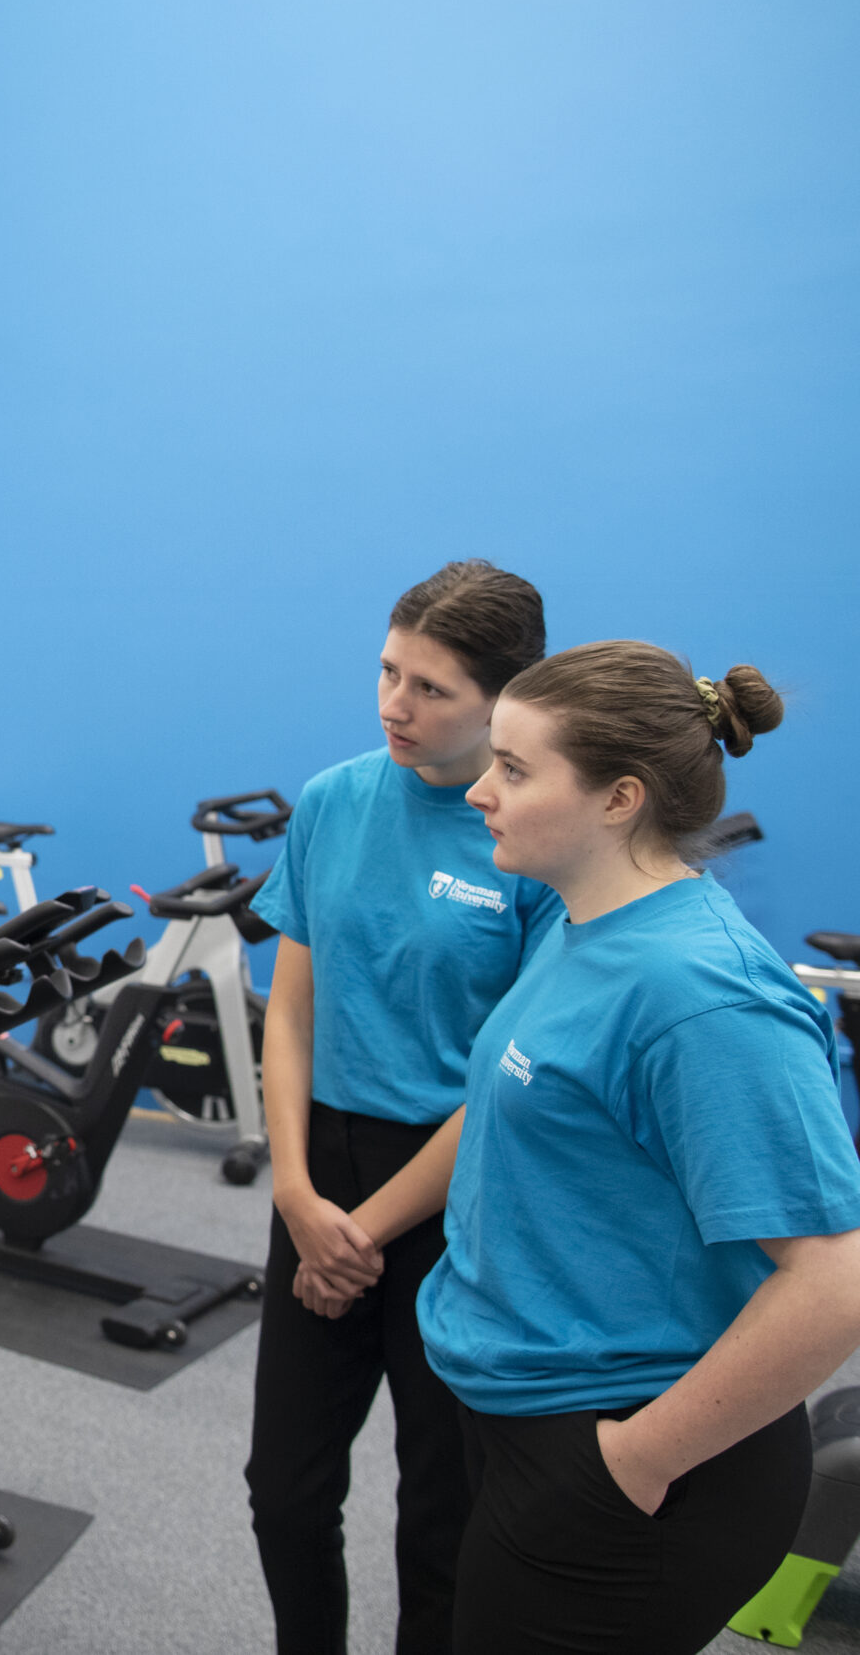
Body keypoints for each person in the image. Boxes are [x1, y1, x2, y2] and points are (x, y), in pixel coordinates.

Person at [362, 640, 860, 1655]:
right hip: (516, 1405)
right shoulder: (581, 925)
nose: (479, 790)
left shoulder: (700, 994)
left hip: (628, 1448)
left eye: (514, 770)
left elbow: (845, 1283)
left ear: (619, 799)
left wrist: (634, 1462)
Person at [242, 561, 561, 1655]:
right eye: (387, 672)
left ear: (501, 702)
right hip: (315, 1175)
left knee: (440, 1513)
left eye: (431, 689)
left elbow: (505, 1076)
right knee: (282, 1491)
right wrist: (294, 1192)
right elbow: (289, 1012)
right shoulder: (333, 800)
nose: (394, 705)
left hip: (456, 1193)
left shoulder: (529, 840)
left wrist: (365, 1230)